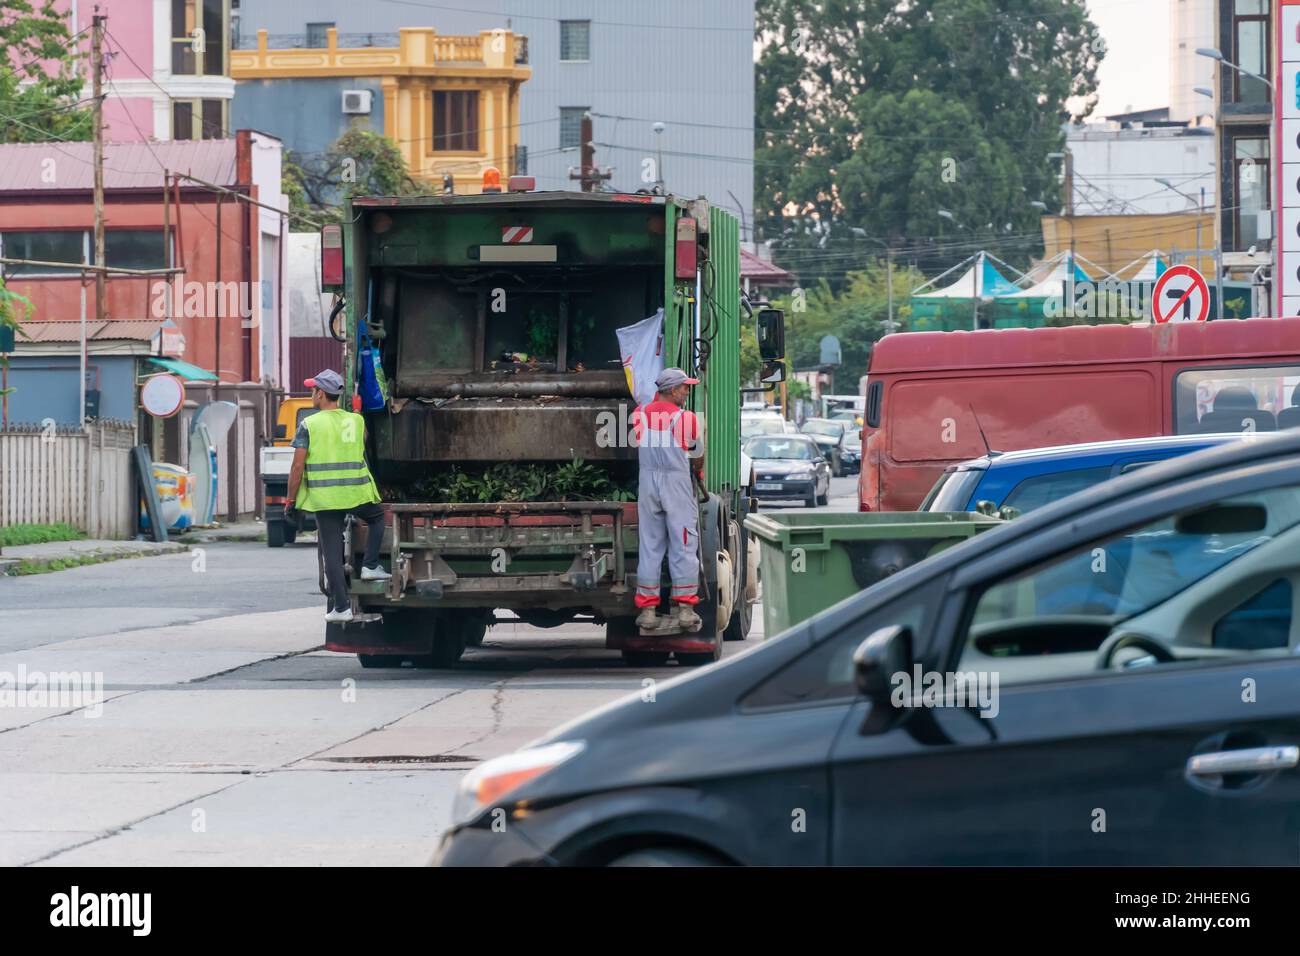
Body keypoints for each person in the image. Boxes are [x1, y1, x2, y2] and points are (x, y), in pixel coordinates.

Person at [285, 369, 389, 623]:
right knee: (377, 519)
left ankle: (341, 607)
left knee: (331, 551)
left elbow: (297, 467)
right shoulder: (356, 420)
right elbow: (362, 441)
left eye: (313, 390)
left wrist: (291, 501)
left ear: (321, 394)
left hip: (325, 498)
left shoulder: (309, 425)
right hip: (355, 493)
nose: (312, 394)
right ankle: (370, 565)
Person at [632, 367, 704, 631]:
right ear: (673, 390)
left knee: (650, 545)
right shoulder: (688, 419)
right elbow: (697, 458)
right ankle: (685, 610)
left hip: (648, 483)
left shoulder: (638, 415)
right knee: (683, 543)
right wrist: (697, 472)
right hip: (677, 484)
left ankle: (648, 612)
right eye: (684, 387)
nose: (687, 391)